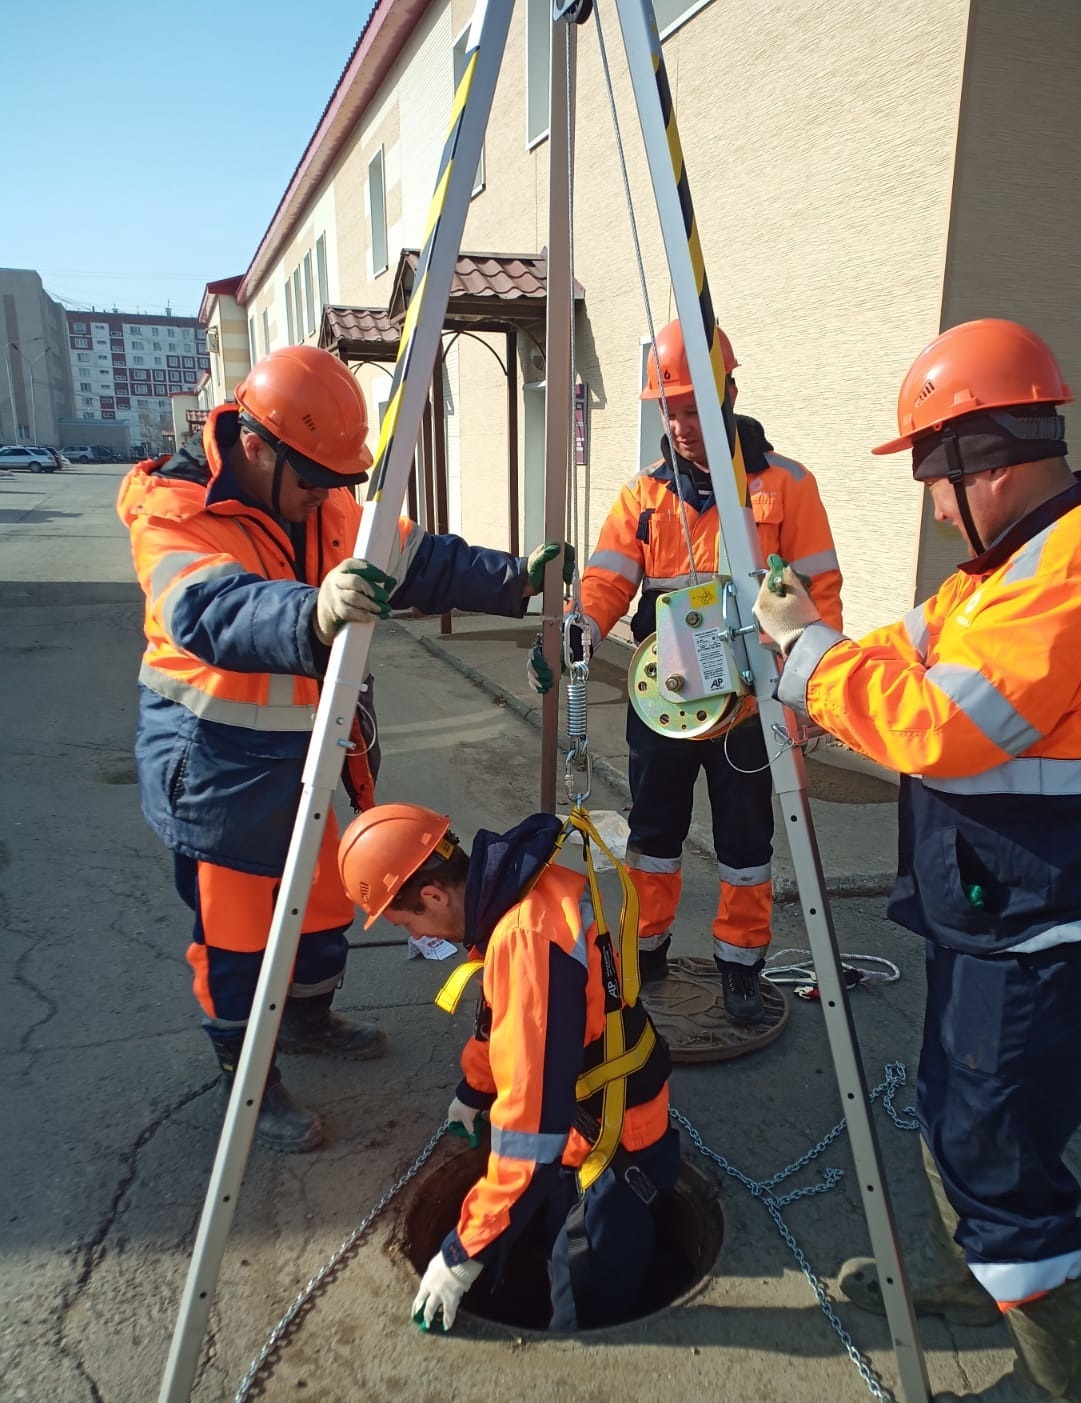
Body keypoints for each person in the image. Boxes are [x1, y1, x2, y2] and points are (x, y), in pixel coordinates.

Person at [752, 318, 1081, 1403]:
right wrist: (823, 645)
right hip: (1002, 908)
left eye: (937, 479)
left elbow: (937, 725)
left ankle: (1050, 1401)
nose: (935, 506)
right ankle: (964, 1267)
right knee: (950, 1098)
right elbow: (905, 653)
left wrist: (803, 663)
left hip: (1057, 924)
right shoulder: (1008, 568)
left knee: (996, 1145)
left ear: (984, 457)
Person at [120, 345, 572, 1155]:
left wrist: (516, 582)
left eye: (338, 481)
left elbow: (421, 561)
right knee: (237, 937)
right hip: (217, 768)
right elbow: (207, 611)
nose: (330, 496)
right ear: (258, 448)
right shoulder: (174, 510)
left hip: (309, 757)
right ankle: (246, 1084)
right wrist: (310, 612)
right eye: (316, 479)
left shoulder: (319, 502)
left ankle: (309, 1020)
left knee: (327, 902)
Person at [531, 319, 842, 1024]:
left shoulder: (785, 486)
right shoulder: (642, 496)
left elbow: (817, 598)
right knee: (654, 834)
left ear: (728, 391)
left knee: (745, 841)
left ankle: (740, 965)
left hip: (748, 703)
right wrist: (573, 630)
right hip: (664, 699)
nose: (681, 424)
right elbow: (607, 582)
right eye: (669, 410)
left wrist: (806, 696)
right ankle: (647, 948)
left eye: (694, 407)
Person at [337, 803, 678, 1332]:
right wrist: (475, 1090)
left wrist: (463, 1252)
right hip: (592, 1120)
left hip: (610, 1152)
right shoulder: (519, 892)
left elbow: (531, 1130)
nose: (417, 938)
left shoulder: (526, 943)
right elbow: (502, 1020)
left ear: (432, 894)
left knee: (586, 1306)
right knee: (549, 1239)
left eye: (409, 922)